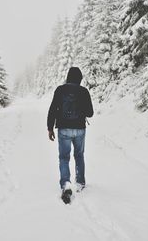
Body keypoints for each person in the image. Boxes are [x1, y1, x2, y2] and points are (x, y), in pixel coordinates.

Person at [47, 67, 94, 203]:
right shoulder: (84, 91)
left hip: (63, 129)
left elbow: (52, 110)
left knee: (64, 157)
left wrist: (50, 128)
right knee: (79, 155)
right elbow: (90, 113)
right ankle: (79, 183)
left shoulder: (60, 90)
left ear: (68, 77)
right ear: (79, 78)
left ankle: (66, 184)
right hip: (79, 129)